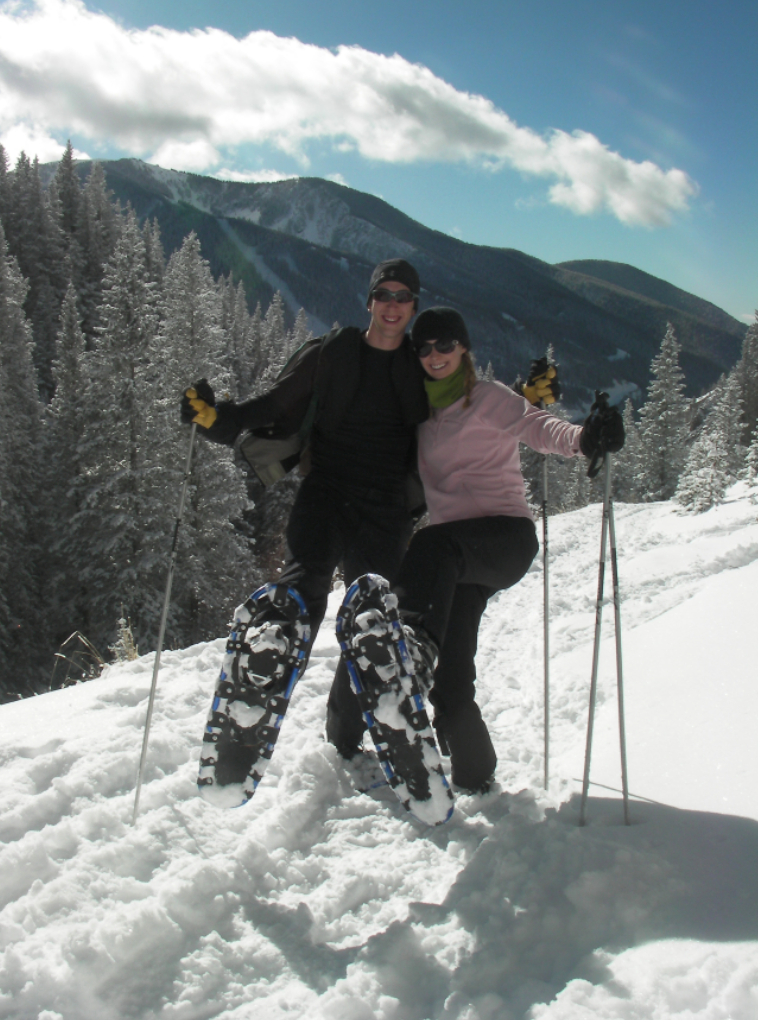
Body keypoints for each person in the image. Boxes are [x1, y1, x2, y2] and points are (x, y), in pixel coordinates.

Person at [180, 259, 430, 751]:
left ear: (414, 307)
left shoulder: (420, 366)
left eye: (403, 297)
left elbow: (471, 410)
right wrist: (214, 420)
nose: (393, 304)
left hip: (387, 507)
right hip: (327, 489)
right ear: (370, 301)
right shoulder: (333, 352)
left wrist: (525, 402)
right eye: (385, 294)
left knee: (372, 624)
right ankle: (267, 660)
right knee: (304, 582)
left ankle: (345, 733)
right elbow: (273, 406)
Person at [372, 306, 624, 793]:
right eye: (423, 347)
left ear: (464, 349)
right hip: (460, 562)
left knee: (431, 545)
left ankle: (410, 648)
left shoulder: (488, 397)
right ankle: (475, 774)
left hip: (504, 539)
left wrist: (585, 439)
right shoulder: (420, 417)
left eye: (445, 344)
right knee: (451, 681)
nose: (435, 355)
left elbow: (538, 426)